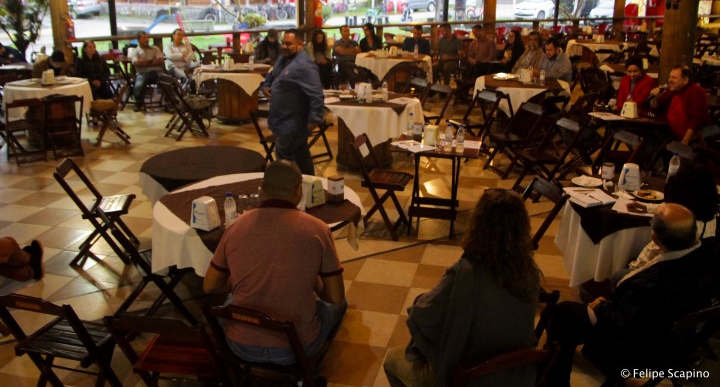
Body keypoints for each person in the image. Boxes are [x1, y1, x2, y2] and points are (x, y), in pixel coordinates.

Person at [545, 203, 720, 387]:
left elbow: (620, 325)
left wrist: (600, 307)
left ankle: (555, 381)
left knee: (564, 313)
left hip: (641, 349)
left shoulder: (651, 284)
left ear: (655, 238)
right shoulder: (712, 252)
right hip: (685, 341)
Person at [383, 190, 541, 387]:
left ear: (478, 225)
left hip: (471, 378)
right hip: (517, 376)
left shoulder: (468, 272)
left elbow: (423, 315)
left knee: (392, 360)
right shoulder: (531, 271)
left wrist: (420, 301)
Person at [203, 160, 346, 366]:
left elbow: (210, 286)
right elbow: (335, 295)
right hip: (294, 348)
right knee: (338, 305)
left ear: (262, 189)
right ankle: (307, 370)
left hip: (240, 345)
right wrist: (311, 279)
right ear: (298, 191)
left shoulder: (236, 226)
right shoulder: (318, 229)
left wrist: (241, 280)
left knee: (230, 301)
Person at [260, 29, 325, 175]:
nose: (284, 46)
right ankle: (310, 184)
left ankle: (287, 187)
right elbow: (272, 74)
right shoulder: (283, 59)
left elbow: (317, 95)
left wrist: (314, 120)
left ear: (300, 44)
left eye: (288, 44)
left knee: (284, 162)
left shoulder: (305, 66)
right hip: (282, 119)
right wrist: (266, 86)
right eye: (283, 43)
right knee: (301, 154)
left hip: (293, 122)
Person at [649, 65, 711, 143]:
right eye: (669, 77)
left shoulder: (696, 91)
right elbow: (657, 109)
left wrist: (684, 142)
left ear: (685, 80)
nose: (669, 80)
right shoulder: (671, 91)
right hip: (671, 133)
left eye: (674, 78)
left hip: (693, 139)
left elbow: (696, 120)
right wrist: (654, 98)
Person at [130, 32, 164, 111]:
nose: (147, 40)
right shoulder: (135, 51)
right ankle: (138, 103)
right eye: (144, 38)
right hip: (143, 73)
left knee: (168, 80)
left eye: (147, 38)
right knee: (139, 84)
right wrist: (153, 61)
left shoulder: (155, 48)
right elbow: (137, 62)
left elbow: (160, 60)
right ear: (138, 40)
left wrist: (145, 62)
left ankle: (170, 103)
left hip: (157, 72)